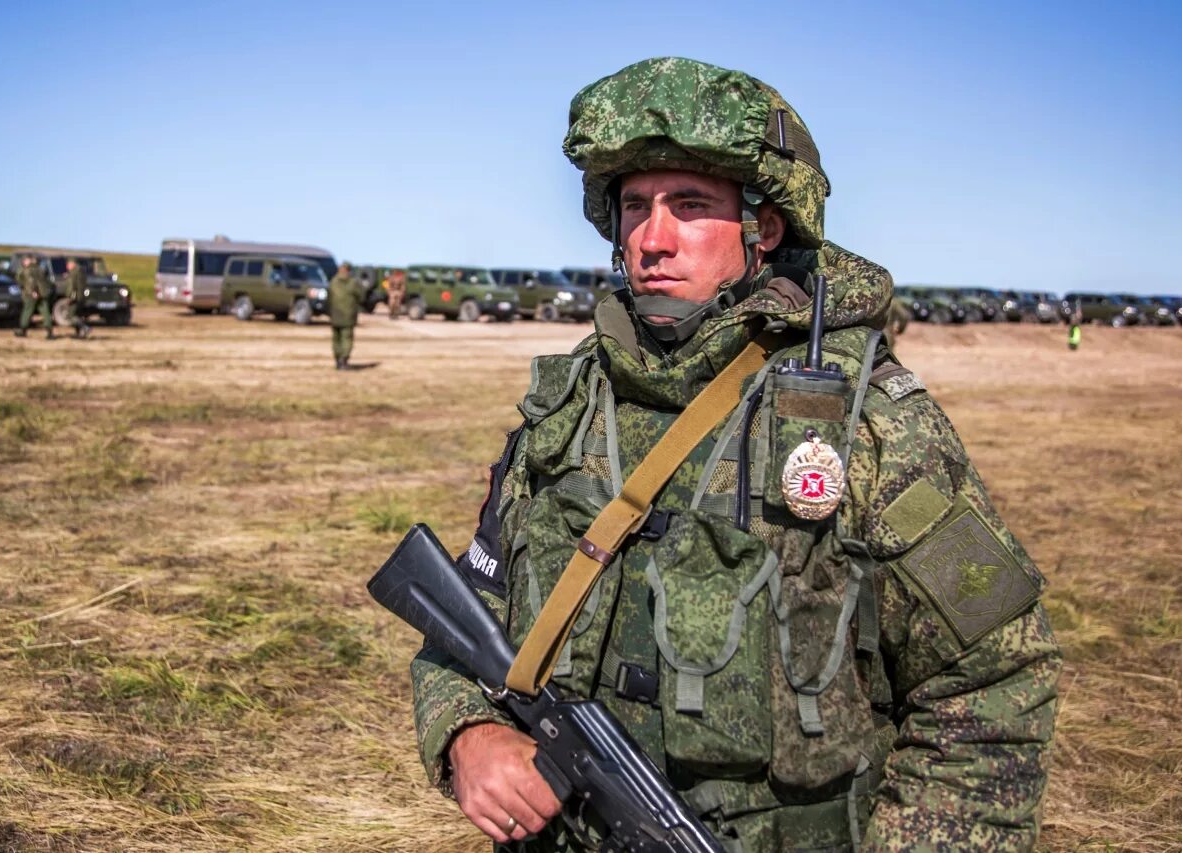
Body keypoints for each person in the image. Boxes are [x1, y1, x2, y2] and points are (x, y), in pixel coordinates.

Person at [409, 58, 1060, 852]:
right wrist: (467, 732)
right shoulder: (572, 405)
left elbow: (991, 682)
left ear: (765, 226)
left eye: (690, 206)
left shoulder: (864, 423)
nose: (653, 238)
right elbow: (462, 614)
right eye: (636, 207)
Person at [328, 261, 365, 369]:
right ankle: (343, 361)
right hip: (348, 316)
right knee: (346, 338)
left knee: (336, 339)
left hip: (335, 315)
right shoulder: (353, 283)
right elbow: (361, 297)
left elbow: (329, 297)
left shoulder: (333, 282)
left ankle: (337, 360)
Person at [14, 255, 54, 339]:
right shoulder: (40, 269)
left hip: (32, 294)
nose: (24, 262)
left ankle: (22, 330)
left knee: (27, 311)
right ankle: (50, 332)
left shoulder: (28, 270)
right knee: (45, 312)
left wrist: (34, 292)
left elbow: (31, 282)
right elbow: (46, 282)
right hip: (42, 294)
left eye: (25, 260)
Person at [63, 258, 91, 339]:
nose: (67, 266)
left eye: (68, 264)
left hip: (75, 297)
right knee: (77, 315)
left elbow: (72, 286)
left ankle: (85, 328)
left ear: (72, 264)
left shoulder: (73, 273)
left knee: (70, 315)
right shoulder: (81, 272)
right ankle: (80, 333)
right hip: (81, 297)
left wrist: (70, 297)